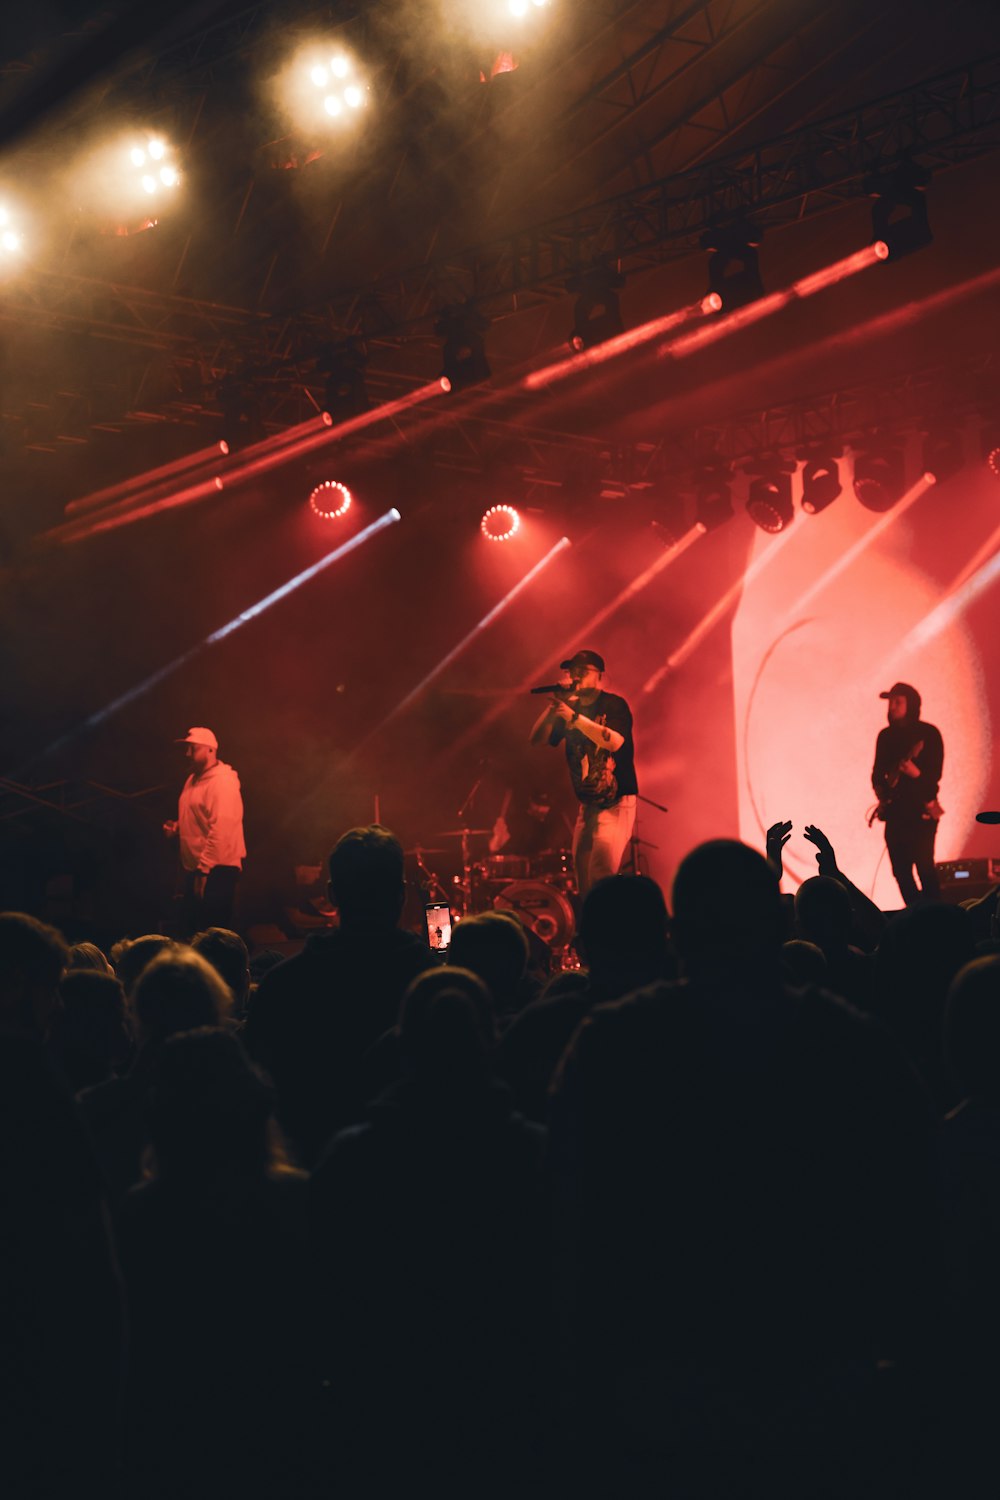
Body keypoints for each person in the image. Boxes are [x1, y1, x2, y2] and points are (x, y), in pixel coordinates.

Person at [529, 648, 636, 897]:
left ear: (600, 675)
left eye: (583, 671)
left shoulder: (614, 704)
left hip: (615, 803)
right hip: (587, 806)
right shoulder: (569, 709)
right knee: (584, 881)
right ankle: (590, 933)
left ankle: (607, 934)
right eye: (572, 671)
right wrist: (555, 705)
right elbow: (536, 739)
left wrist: (574, 717)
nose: (576, 676)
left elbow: (615, 742)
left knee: (602, 875)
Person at [163, 727, 246, 935]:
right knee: (194, 932)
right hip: (198, 868)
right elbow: (200, 816)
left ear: (210, 750)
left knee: (214, 934)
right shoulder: (192, 780)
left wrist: (204, 871)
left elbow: (222, 827)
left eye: (193, 748)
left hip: (217, 869)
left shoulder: (222, 782)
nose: (187, 754)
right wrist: (178, 826)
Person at [871, 683, 944, 907]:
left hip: (921, 813)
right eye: (891, 702)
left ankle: (934, 915)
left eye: (898, 702)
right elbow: (877, 774)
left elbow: (934, 775)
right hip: (895, 815)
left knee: (925, 868)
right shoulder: (885, 736)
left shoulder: (929, 734)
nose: (892, 707)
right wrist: (882, 794)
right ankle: (916, 912)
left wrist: (916, 773)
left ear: (910, 705)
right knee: (900, 871)